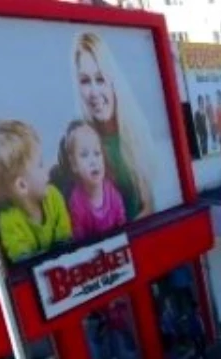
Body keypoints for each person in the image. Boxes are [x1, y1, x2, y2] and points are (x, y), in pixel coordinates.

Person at [72, 32, 156, 220]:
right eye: (85, 81)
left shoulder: (135, 135)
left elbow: (150, 205)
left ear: (113, 81)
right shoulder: (80, 145)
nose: (94, 92)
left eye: (100, 79)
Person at [0, 120, 73, 263]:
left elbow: (66, 239)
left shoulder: (54, 196)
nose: (47, 171)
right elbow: (23, 261)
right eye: (40, 165)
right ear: (22, 186)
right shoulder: (8, 221)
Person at [56, 121, 126, 241]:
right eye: (84, 155)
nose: (93, 161)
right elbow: (79, 239)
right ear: (74, 165)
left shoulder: (112, 191)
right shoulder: (76, 202)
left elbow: (122, 222)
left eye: (97, 154)